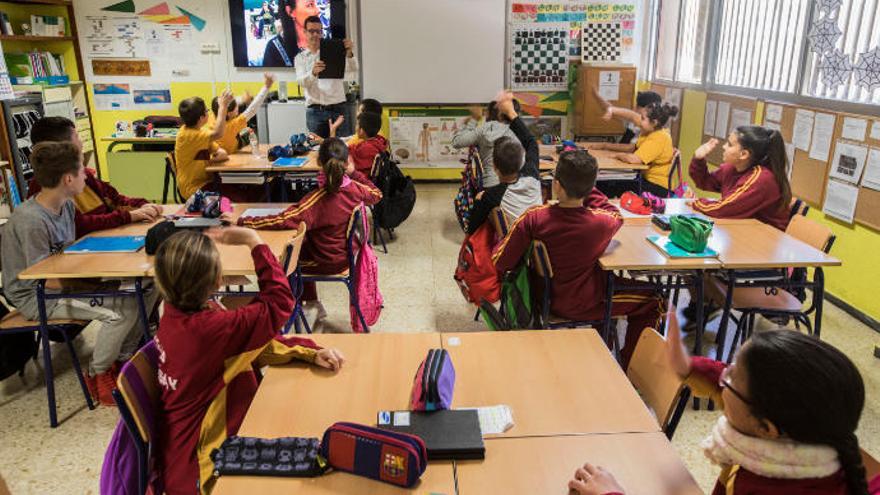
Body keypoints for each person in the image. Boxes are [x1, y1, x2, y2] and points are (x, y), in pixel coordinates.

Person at [567, 312, 872, 495]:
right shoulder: (808, 433)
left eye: (731, 377)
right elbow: (739, 387)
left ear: (767, 427)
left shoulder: (769, 485)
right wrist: (689, 367)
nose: (721, 376)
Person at [154, 227, 345, 494]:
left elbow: (244, 347)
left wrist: (308, 353)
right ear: (218, 281)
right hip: (204, 469)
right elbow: (279, 302)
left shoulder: (173, 313)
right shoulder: (209, 329)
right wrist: (253, 241)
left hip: (183, 449)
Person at [1, 142, 159, 406]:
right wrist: (98, 282)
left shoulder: (67, 206)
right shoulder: (32, 221)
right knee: (119, 312)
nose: (87, 175)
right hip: (36, 295)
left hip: (67, 281)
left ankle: (124, 359)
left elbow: (70, 254)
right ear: (68, 178)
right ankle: (97, 373)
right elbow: (42, 279)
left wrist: (104, 276)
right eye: (82, 172)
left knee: (149, 286)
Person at [491, 149, 664, 367]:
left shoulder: (533, 217)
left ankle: (601, 347)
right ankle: (630, 367)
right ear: (591, 187)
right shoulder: (601, 223)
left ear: (556, 184)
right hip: (584, 301)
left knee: (614, 287)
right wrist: (587, 188)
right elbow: (615, 213)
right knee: (654, 299)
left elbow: (500, 260)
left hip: (543, 297)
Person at [238, 138, 381, 328]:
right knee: (301, 247)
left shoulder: (318, 200)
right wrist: (355, 173)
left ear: (319, 163)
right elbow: (376, 194)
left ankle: (286, 312)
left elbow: (282, 219)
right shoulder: (354, 189)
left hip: (325, 261)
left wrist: (243, 221)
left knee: (285, 261)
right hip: (345, 255)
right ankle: (311, 303)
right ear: (347, 163)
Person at [25, 116, 162, 237]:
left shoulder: (81, 175)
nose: (81, 143)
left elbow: (113, 198)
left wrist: (142, 205)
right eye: (77, 137)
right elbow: (79, 226)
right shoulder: (47, 188)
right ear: (64, 147)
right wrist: (130, 216)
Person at [689, 126, 792, 232]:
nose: (724, 147)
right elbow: (705, 182)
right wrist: (698, 159)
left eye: (729, 145)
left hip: (767, 237)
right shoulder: (732, 167)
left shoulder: (762, 179)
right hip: (743, 229)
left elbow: (724, 209)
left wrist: (695, 203)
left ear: (743, 154)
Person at [466, 91, 542, 235]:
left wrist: (478, 201)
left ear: (495, 168)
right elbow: (531, 142)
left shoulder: (492, 195)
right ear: (522, 161)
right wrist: (511, 112)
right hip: (538, 235)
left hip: (511, 247)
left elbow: (471, 229)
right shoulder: (532, 174)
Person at [586, 102, 679, 198]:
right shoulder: (651, 129)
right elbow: (632, 147)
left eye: (642, 118)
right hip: (645, 179)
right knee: (605, 183)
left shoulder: (659, 138)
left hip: (657, 187)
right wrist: (605, 146)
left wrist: (617, 155)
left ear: (654, 122)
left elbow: (634, 159)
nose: (639, 120)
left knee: (607, 185)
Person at [294, 15, 358, 138]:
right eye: (311, 31)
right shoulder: (300, 58)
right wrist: (312, 73)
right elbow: (301, 83)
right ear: (305, 32)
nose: (315, 35)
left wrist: (349, 53)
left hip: (338, 108)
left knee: (341, 147)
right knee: (316, 150)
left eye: (318, 31)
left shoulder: (335, 51)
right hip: (314, 111)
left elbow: (353, 70)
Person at [452, 98, 523, 188]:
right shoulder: (519, 129)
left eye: (486, 111)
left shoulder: (485, 129)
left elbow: (457, 142)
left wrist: (473, 120)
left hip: (489, 184)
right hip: (517, 184)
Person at [174, 91, 233, 199]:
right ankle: (227, 212)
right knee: (231, 198)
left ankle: (229, 211)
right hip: (194, 189)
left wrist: (207, 160)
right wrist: (223, 107)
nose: (209, 113)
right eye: (207, 111)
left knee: (237, 190)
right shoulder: (188, 135)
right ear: (201, 117)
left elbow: (223, 154)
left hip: (206, 182)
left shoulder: (200, 133)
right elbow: (219, 133)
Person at [211, 73, 275, 154]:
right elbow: (252, 109)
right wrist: (266, 86)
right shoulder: (233, 125)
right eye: (236, 107)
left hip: (220, 148)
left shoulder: (212, 116)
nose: (238, 106)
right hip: (231, 151)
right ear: (229, 113)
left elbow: (223, 106)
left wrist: (243, 99)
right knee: (250, 132)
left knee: (247, 130)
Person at [261, 0, 319, 67]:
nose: (317, 11)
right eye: (310, 5)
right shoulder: (274, 48)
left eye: (316, 3)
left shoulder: (324, 41)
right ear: (290, 11)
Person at [595, 90, 663, 144]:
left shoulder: (651, 129)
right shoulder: (634, 120)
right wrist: (597, 95)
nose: (635, 108)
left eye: (638, 107)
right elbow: (611, 109)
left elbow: (631, 149)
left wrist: (605, 146)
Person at [346, 112, 388, 177]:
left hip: (361, 181)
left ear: (361, 130)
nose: (355, 127)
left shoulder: (365, 148)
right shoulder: (378, 142)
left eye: (357, 125)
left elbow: (346, 153)